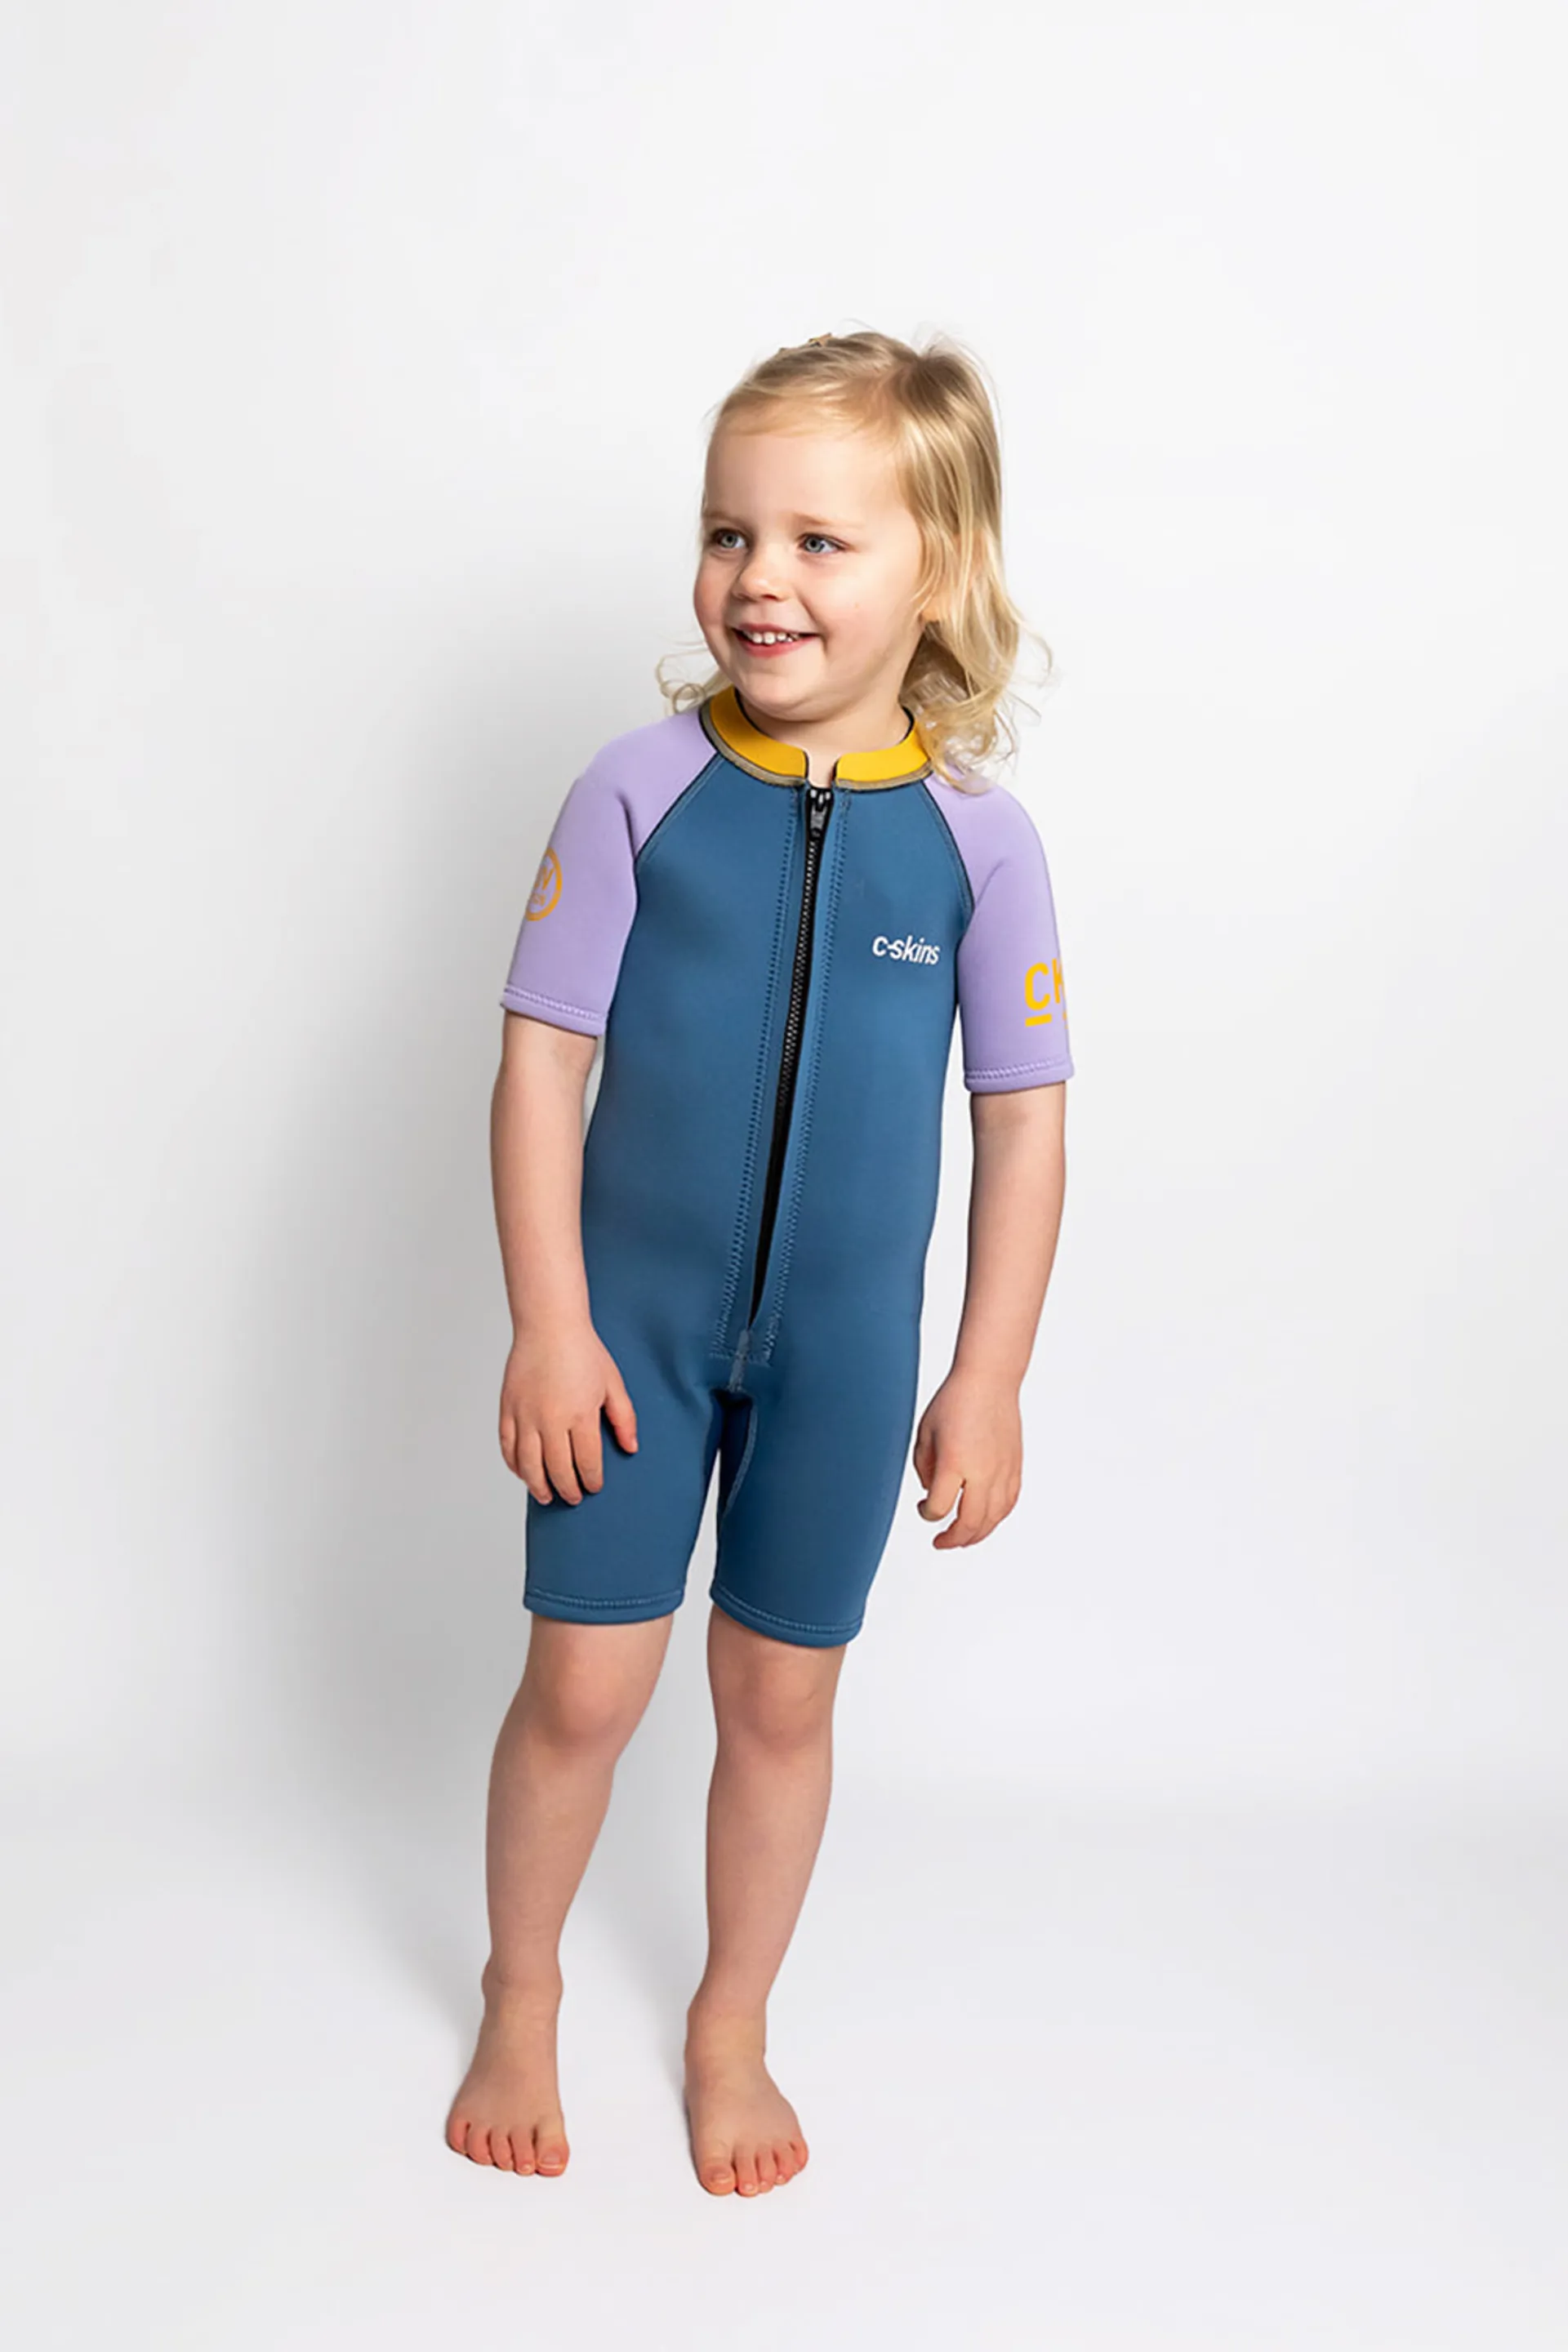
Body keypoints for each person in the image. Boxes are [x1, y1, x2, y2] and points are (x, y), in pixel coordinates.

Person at [446, 327, 1075, 2196]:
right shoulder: (635, 791)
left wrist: (988, 1374)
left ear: (935, 573)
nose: (758, 579)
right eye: (730, 533)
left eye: (818, 541)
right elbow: (539, 1064)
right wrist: (550, 1325)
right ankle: (521, 1987)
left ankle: (731, 2024)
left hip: (844, 1364)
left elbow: (1025, 1122)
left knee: (782, 1703)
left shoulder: (982, 848)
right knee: (583, 1689)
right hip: (626, 1339)